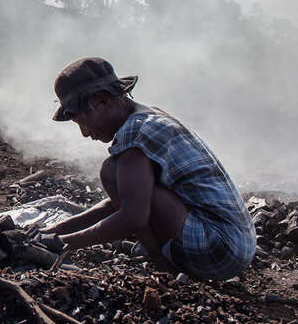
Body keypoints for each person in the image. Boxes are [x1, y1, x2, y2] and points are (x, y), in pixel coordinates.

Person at [41, 57, 256, 280]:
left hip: (220, 249)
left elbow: (133, 217)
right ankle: (164, 260)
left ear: (101, 101)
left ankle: (163, 264)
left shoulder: (135, 131)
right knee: (117, 175)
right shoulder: (148, 115)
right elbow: (124, 200)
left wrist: (62, 243)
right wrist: (52, 231)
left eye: (83, 122)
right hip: (238, 246)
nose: (85, 133)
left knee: (110, 171)